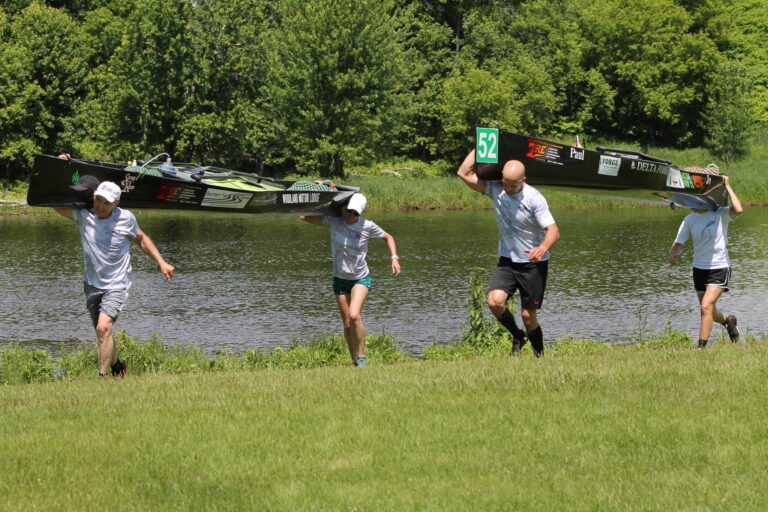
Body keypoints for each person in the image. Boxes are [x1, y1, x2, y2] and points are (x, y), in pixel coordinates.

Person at [54, 181, 175, 378]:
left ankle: (102, 379)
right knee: (103, 333)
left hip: (118, 284)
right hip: (92, 284)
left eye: (106, 203)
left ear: (116, 204)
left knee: (104, 328)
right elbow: (56, 206)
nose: (100, 206)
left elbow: (142, 239)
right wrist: (61, 171)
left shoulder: (125, 219)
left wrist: (161, 263)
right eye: (98, 200)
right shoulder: (84, 215)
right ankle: (118, 367)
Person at [457, 150, 560, 357]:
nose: (509, 188)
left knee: (528, 316)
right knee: (494, 302)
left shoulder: (534, 198)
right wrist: (481, 147)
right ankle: (518, 336)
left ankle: (540, 356)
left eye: (514, 184)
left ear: (524, 180)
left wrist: (542, 248)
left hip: (533, 263)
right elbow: (463, 174)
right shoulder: (496, 189)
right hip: (507, 259)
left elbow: (554, 231)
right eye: (506, 183)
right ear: (501, 177)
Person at [299, 193, 400, 367]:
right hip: (339, 278)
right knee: (346, 323)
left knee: (354, 315)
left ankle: (361, 356)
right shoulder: (335, 222)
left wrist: (394, 257)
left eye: (354, 212)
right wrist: (309, 200)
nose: (350, 215)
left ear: (360, 213)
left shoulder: (367, 226)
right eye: (348, 211)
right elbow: (307, 217)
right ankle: (354, 360)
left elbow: (388, 237)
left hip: (360, 278)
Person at [668, 175, 743, 348]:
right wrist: (673, 253)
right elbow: (678, 243)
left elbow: (738, 209)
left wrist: (727, 186)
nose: (688, 205)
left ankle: (700, 349)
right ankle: (727, 321)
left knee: (706, 306)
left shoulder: (720, 214)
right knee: (708, 309)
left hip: (719, 267)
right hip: (699, 269)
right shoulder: (689, 220)